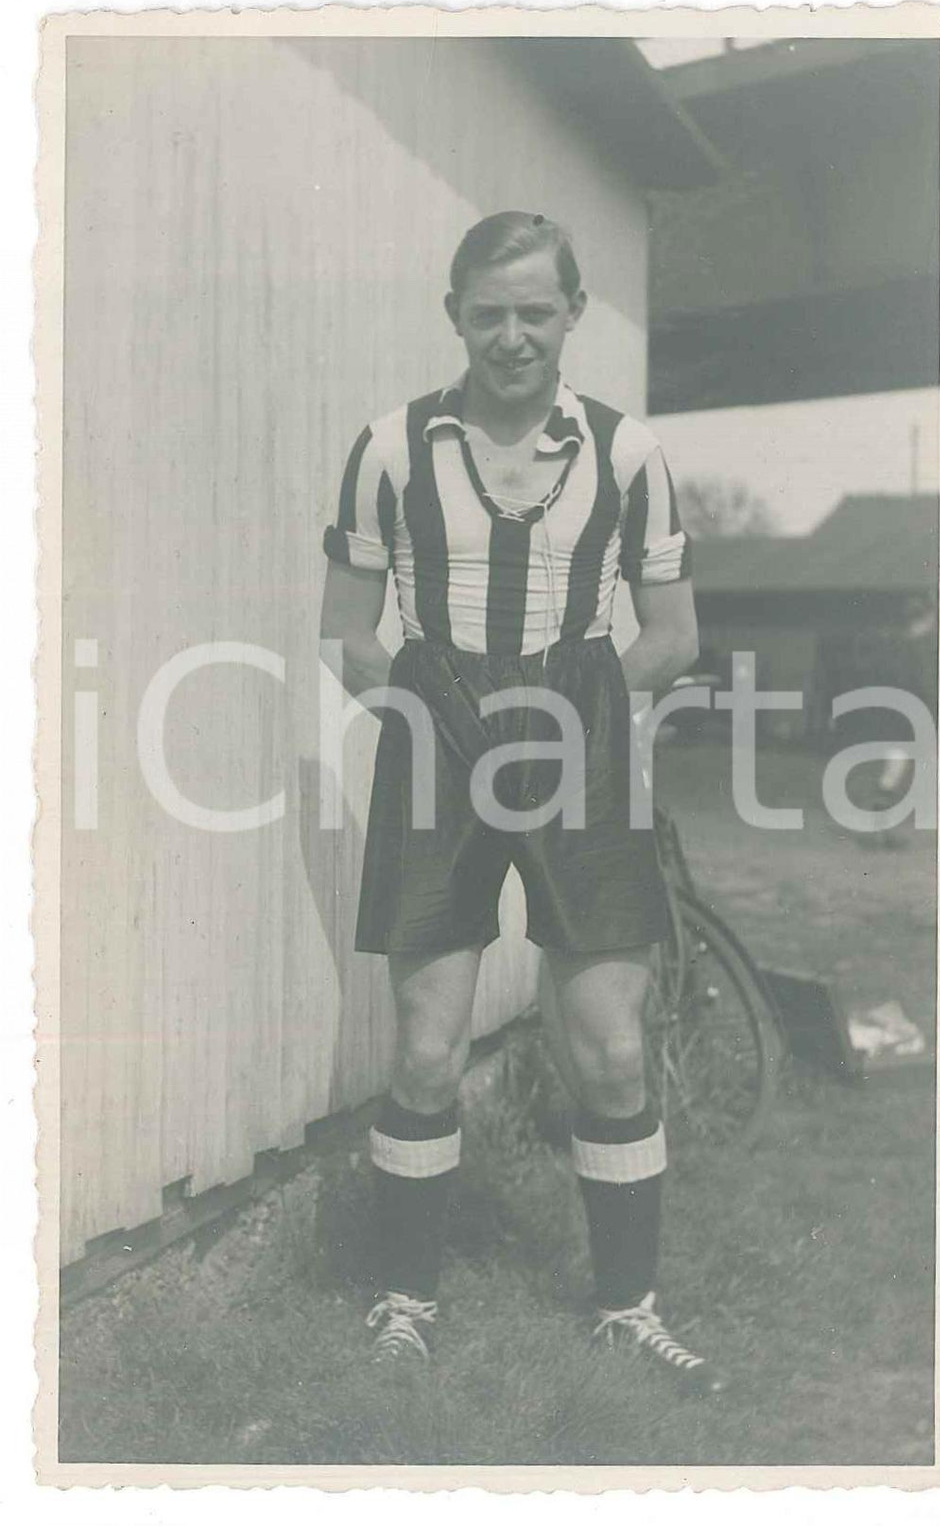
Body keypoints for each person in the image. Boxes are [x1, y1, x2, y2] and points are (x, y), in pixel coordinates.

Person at [319, 211, 723, 1392]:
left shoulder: (626, 451)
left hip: (580, 742)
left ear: (570, 316)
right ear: (455, 313)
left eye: (533, 312)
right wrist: (447, 715)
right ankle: (405, 1300)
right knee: (429, 1046)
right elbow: (346, 633)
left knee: (606, 1048)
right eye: (487, 311)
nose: (510, 336)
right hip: (436, 744)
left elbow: (675, 634)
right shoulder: (390, 446)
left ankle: (627, 1306)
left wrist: (563, 714)